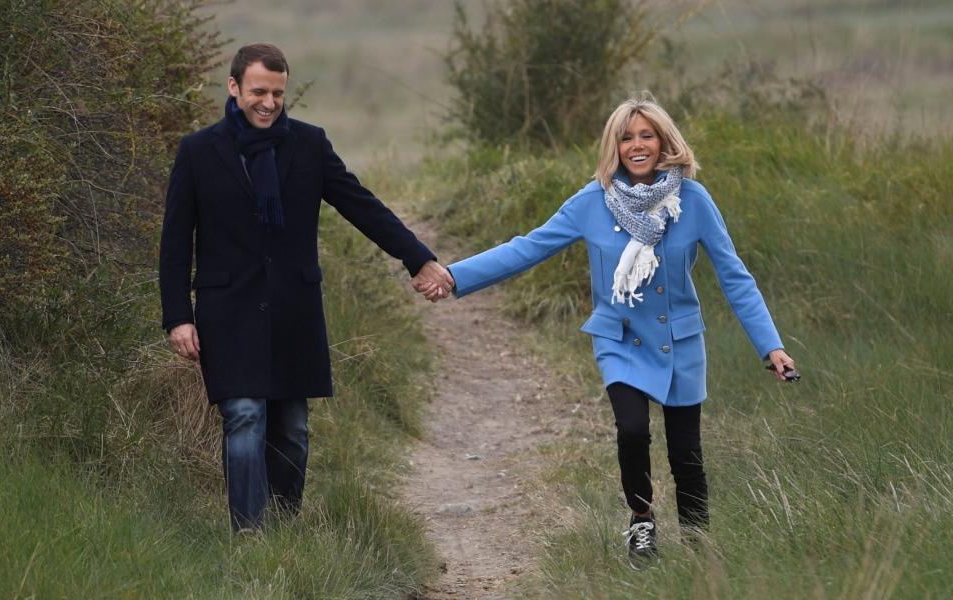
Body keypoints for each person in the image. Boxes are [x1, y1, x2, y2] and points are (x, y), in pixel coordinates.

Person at [420, 92, 796, 560]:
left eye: (646, 136)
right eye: (626, 138)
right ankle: (642, 522)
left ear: (664, 142)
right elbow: (527, 248)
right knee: (633, 429)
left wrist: (771, 346)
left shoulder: (694, 200)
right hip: (619, 338)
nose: (636, 146)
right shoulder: (591, 201)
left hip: (679, 340)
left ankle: (700, 552)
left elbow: (734, 275)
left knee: (687, 454)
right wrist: (456, 275)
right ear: (613, 147)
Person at [159, 43, 454, 532]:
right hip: (226, 310)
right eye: (258, 91)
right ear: (234, 88)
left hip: (293, 310)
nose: (269, 103)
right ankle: (251, 535)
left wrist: (418, 258)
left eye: (277, 92)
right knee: (245, 415)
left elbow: (362, 205)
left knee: (292, 430)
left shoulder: (309, 145)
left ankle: (284, 527)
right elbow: (175, 241)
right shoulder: (198, 152)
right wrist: (178, 315)